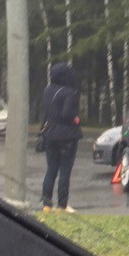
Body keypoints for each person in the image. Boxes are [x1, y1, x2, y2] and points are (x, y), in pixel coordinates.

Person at [39, 62, 82, 212]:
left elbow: (46, 112)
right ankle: (62, 205)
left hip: (50, 134)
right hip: (67, 136)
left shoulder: (47, 90)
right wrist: (76, 119)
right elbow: (67, 113)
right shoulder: (69, 91)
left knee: (51, 169)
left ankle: (46, 204)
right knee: (65, 170)